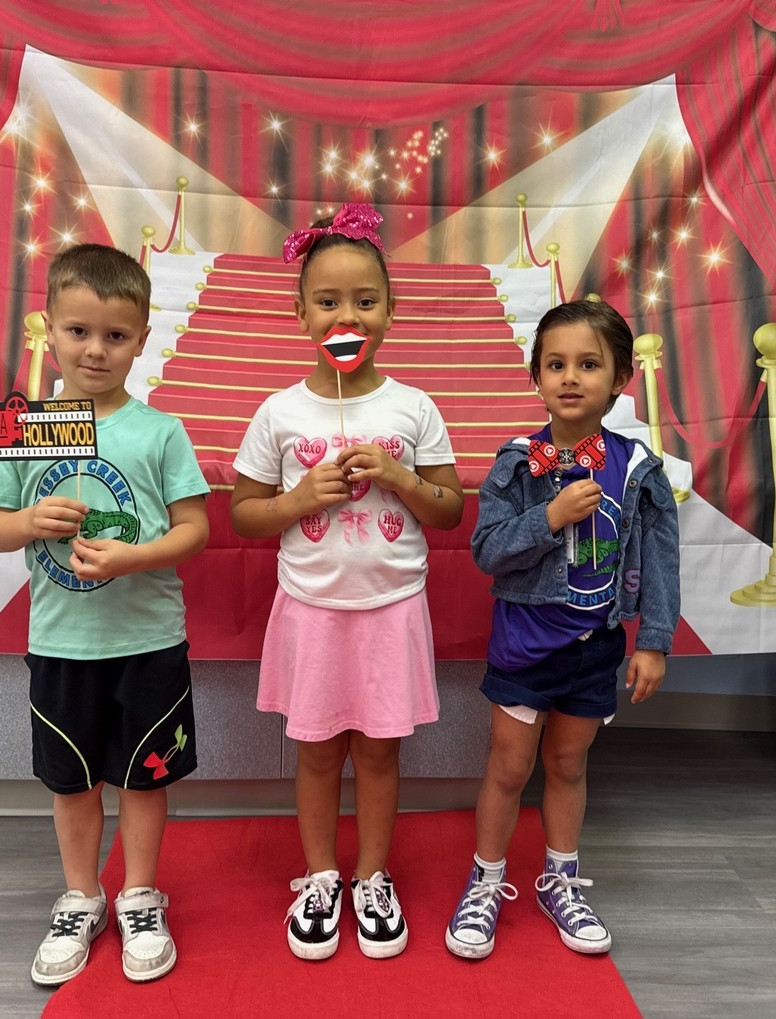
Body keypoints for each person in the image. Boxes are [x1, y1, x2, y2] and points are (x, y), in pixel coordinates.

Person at [231, 204, 464, 961]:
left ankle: (372, 875)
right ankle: (322, 873)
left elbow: (451, 510)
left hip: (391, 609)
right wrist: (299, 499)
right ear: (301, 314)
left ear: (390, 313)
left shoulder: (414, 406)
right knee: (318, 750)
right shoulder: (279, 411)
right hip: (312, 610)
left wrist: (398, 475)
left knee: (380, 753)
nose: (347, 313)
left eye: (365, 300)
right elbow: (243, 516)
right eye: (328, 300)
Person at [0, 243, 210, 986]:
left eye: (115, 335)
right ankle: (82, 896)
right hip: (62, 642)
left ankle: (141, 892)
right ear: (49, 329)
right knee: (71, 782)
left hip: (147, 640)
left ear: (142, 338)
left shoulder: (159, 431)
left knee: (144, 777)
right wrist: (32, 520)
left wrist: (133, 557)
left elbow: (194, 529)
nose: (96, 350)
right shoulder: (30, 426)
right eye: (79, 331)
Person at [445, 298, 680, 960]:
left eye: (588, 363)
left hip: (596, 647)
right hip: (524, 644)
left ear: (621, 377)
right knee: (509, 767)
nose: (570, 377)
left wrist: (654, 641)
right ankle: (485, 880)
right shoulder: (519, 462)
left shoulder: (637, 469)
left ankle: (561, 879)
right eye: (556, 364)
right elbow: (488, 550)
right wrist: (546, 516)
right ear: (536, 375)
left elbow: (660, 558)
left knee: (568, 764)